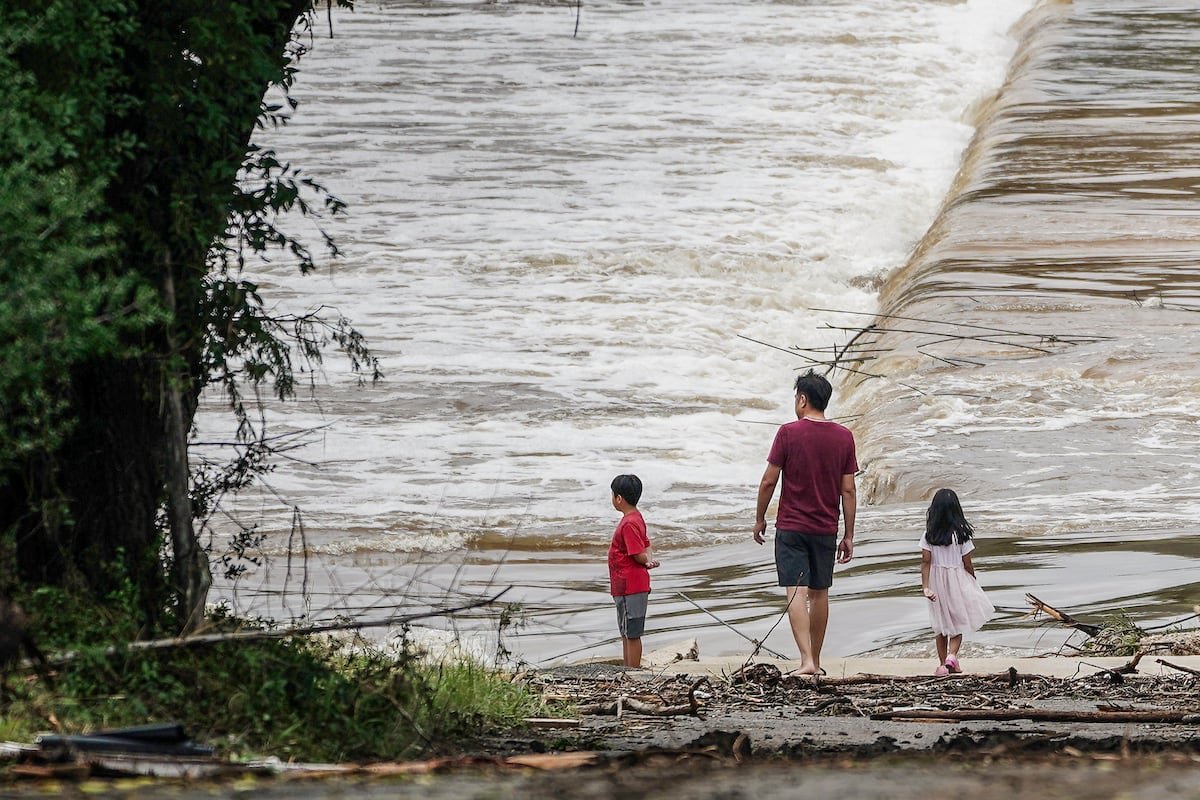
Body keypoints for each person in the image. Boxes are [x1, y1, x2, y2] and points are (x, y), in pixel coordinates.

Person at [754, 370, 857, 675]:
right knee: (820, 592)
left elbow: (768, 482)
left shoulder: (788, 433)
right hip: (826, 527)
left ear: (802, 399)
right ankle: (818, 659)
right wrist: (849, 534)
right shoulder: (844, 437)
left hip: (792, 526)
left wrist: (759, 518)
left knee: (796, 591)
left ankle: (806, 661)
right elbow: (848, 489)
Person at [920, 488, 995, 676]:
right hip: (957, 580)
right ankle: (951, 657)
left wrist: (926, 587)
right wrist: (972, 578)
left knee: (940, 624)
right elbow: (967, 563)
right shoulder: (961, 536)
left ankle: (942, 664)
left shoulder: (928, 535)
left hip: (936, 582)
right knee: (957, 622)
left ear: (934, 511)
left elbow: (926, 562)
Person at [607, 474, 659, 667]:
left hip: (631, 587)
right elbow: (647, 545)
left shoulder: (628, 523)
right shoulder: (636, 518)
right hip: (626, 587)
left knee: (632, 633)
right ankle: (628, 669)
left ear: (618, 498)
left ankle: (633, 672)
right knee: (626, 632)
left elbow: (637, 553)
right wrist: (649, 561)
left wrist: (645, 561)